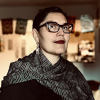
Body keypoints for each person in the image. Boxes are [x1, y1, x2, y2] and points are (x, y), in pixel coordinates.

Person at [0, 7, 94, 100]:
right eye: (52, 26)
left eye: (65, 27)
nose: (61, 33)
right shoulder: (20, 79)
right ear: (36, 35)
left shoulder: (73, 72)